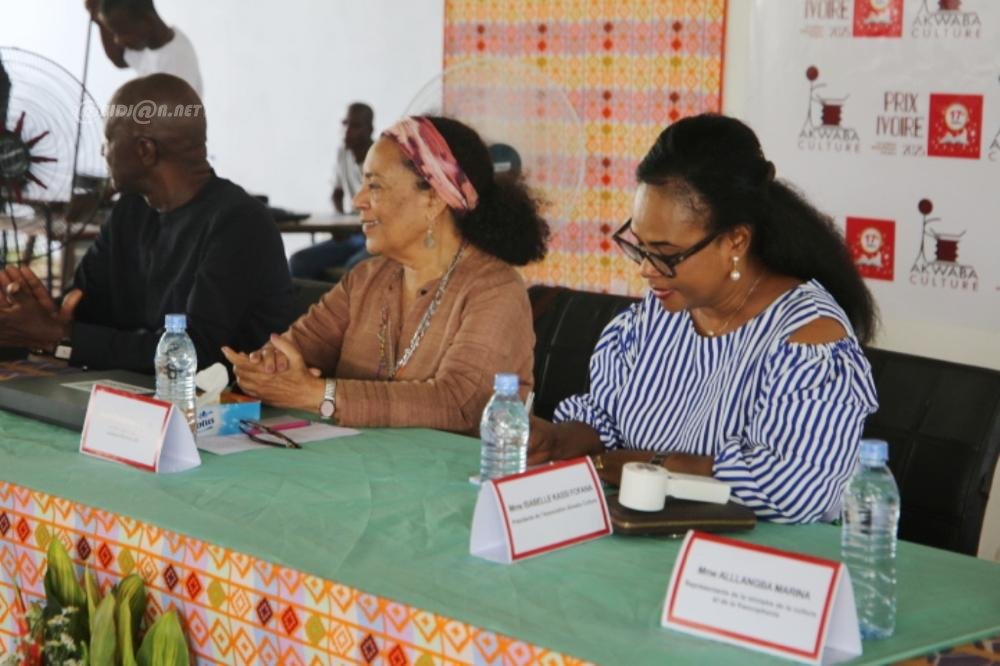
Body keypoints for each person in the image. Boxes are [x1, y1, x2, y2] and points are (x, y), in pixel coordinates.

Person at [528, 113, 879, 524]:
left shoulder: (808, 334)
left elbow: (797, 490)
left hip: (751, 557)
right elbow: (607, 419)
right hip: (652, 537)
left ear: (735, 241)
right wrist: (557, 440)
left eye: (666, 253)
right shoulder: (660, 313)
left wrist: (651, 467)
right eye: (640, 247)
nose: (646, 269)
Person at [224, 116, 550, 435]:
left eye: (375, 185)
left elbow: (461, 403)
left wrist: (318, 395)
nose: (358, 201)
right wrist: (269, 367)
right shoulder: (365, 278)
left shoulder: (495, 289)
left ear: (433, 199)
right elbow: (298, 347)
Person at [0, 74, 293, 372]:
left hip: (219, 397)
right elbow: (82, 308)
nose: (103, 152)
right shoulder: (132, 210)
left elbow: (194, 353)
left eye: (109, 140)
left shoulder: (239, 224)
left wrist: (59, 336)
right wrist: (33, 315)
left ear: (145, 150)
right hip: (131, 388)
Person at [288, 102, 374, 280]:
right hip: (352, 234)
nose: (347, 131)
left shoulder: (381, 158)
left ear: (370, 129)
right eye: (345, 124)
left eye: (355, 126)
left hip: (375, 235)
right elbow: (337, 194)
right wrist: (341, 221)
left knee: (353, 267)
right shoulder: (343, 153)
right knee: (298, 262)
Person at [85, 0, 203, 96]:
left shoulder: (178, 64)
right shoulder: (148, 42)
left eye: (123, 33)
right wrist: (98, 19)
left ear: (147, 20)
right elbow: (120, 59)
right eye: (115, 33)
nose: (118, 41)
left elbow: (174, 116)